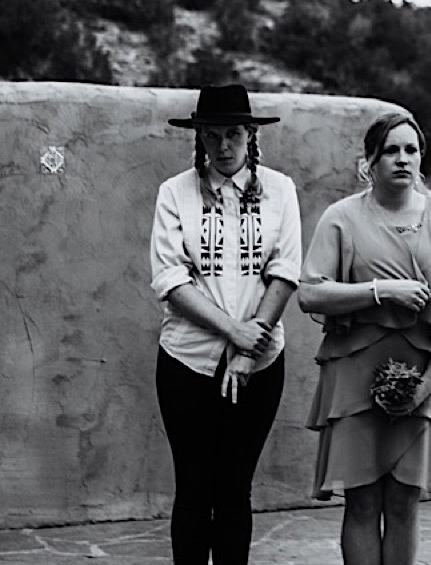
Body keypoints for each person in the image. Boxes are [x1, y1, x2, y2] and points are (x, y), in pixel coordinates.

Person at [298, 109, 431, 565]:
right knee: (361, 502)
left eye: (411, 150)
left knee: (403, 503)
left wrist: (428, 383)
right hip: (353, 376)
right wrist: (380, 291)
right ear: (370, 162)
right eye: (390, 151)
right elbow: (310, 293)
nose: (402, 159)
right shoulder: (341, 218)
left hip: (418, 379)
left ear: (422, 159)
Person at [147, 84, 304, 565]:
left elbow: (284, 270)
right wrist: (232, 333)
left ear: (250, 135)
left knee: (235, 487)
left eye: (233, 133)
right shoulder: (176, 193)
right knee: (193, 488)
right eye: (211, 135)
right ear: (198, 138)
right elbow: (170, 279)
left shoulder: (280, 190)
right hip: (187, 360)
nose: (223, 145)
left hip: (260, 362)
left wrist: (247, 347)